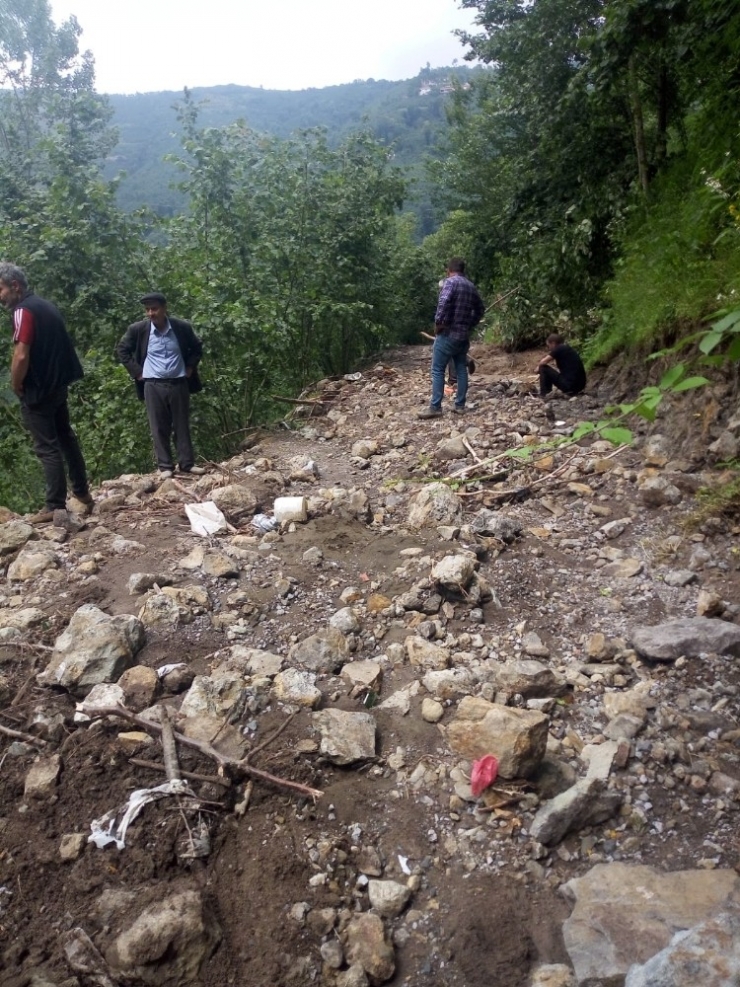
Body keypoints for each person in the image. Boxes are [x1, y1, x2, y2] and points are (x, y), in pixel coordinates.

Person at [0, 262, 93, 526]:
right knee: (66, 436)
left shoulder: (22, 311)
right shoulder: (46, 306)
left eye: (1, 289)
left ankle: (54, 504)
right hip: (58, 384)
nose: (0, 296)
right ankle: (82, 491)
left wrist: (16, 383)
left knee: (46, 447)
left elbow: (21, 354)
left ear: (15, 286)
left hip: (38, 388)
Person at [117, 292, 205, 478]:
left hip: (179, 382)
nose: (151, 313)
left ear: (164, 308)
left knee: (181, 424)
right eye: (147, 310)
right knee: (158, 426)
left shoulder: (181, 328)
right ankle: (165, 466)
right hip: (153, 384)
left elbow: (197, 347)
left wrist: (190, 366)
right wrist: (137, 372)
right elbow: (122, 350)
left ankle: (187, 464)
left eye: (154, 309)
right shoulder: (138, 330)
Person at [419, 258, 484, 418]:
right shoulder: (470, 286)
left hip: (448, 334)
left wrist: (439, 324)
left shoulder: (450, 282)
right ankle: (459, 405)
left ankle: (435, 407)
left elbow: (443, 303)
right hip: (463, 336)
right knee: (461, 368)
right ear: (463, 270)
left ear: (449, 269)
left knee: (437, 369)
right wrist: (470, 324)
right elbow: (480, 309)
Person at [536, 333, 587, 399]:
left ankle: (544, 393)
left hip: (570, 386)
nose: (549, 349)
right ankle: (547, 392)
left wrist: (537, 368)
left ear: (553, 343)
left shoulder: (559, 348)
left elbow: (543, 362)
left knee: (543, 368)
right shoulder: (567, 349)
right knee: (545, 369)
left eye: (549, 346)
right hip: (579, 386)